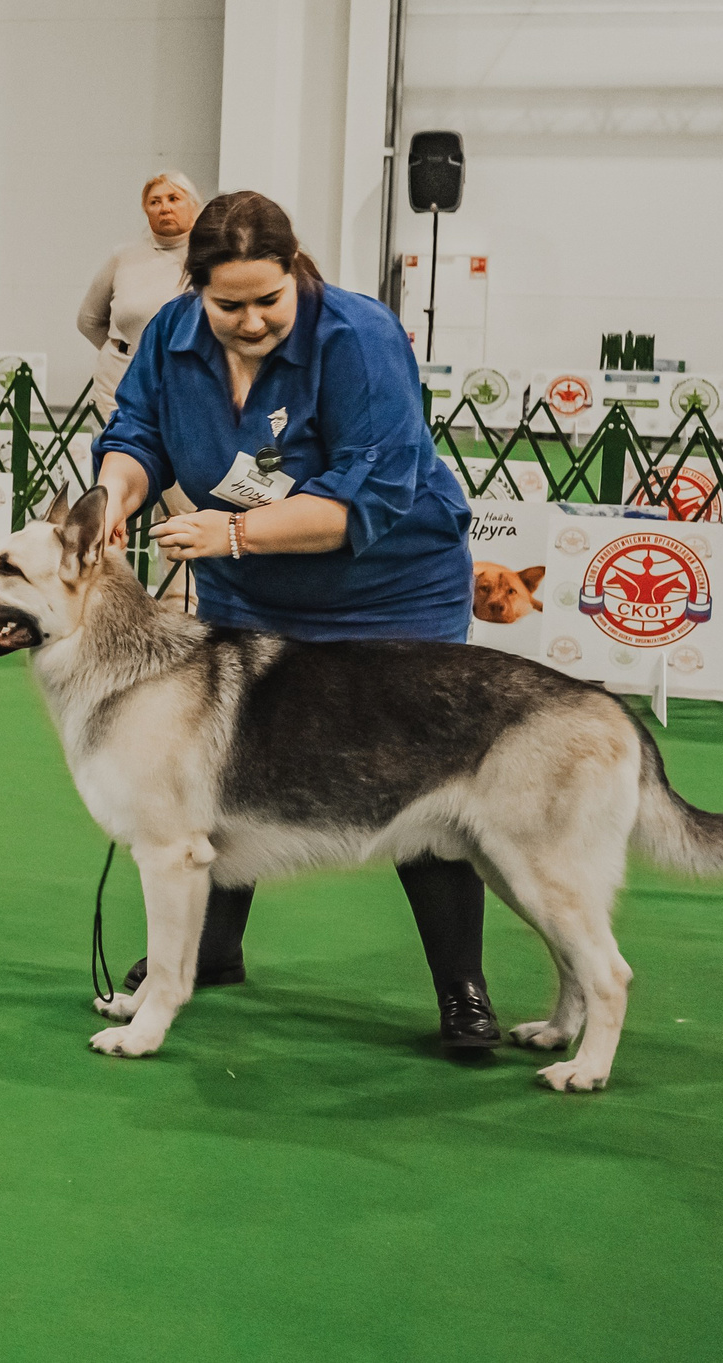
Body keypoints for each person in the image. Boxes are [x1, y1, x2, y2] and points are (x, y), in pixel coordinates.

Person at [91, 191, 498, 1050]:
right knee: (222, 766)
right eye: (226, 304)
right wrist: (118, 495)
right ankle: (210, 951)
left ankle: (463, 989)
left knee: (424, 784)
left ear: (297, 270)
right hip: (254, 587)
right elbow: (138, 429)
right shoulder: (171, 333)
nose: (249, 321)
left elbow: (372, 493)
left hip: (391, 588)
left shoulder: (358, 336)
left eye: (267, 300)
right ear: (194, 286)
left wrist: (233, 530)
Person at [78, 171, 200, 420]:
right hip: (117, 384)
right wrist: (126, 352)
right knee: (113, 455)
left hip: (183, 383)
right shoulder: (123, 257)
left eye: (173, 198)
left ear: (194, 205)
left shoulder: (209, 259)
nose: (164, 208)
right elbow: (88, 320)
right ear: (145, 210)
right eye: (155, 201)